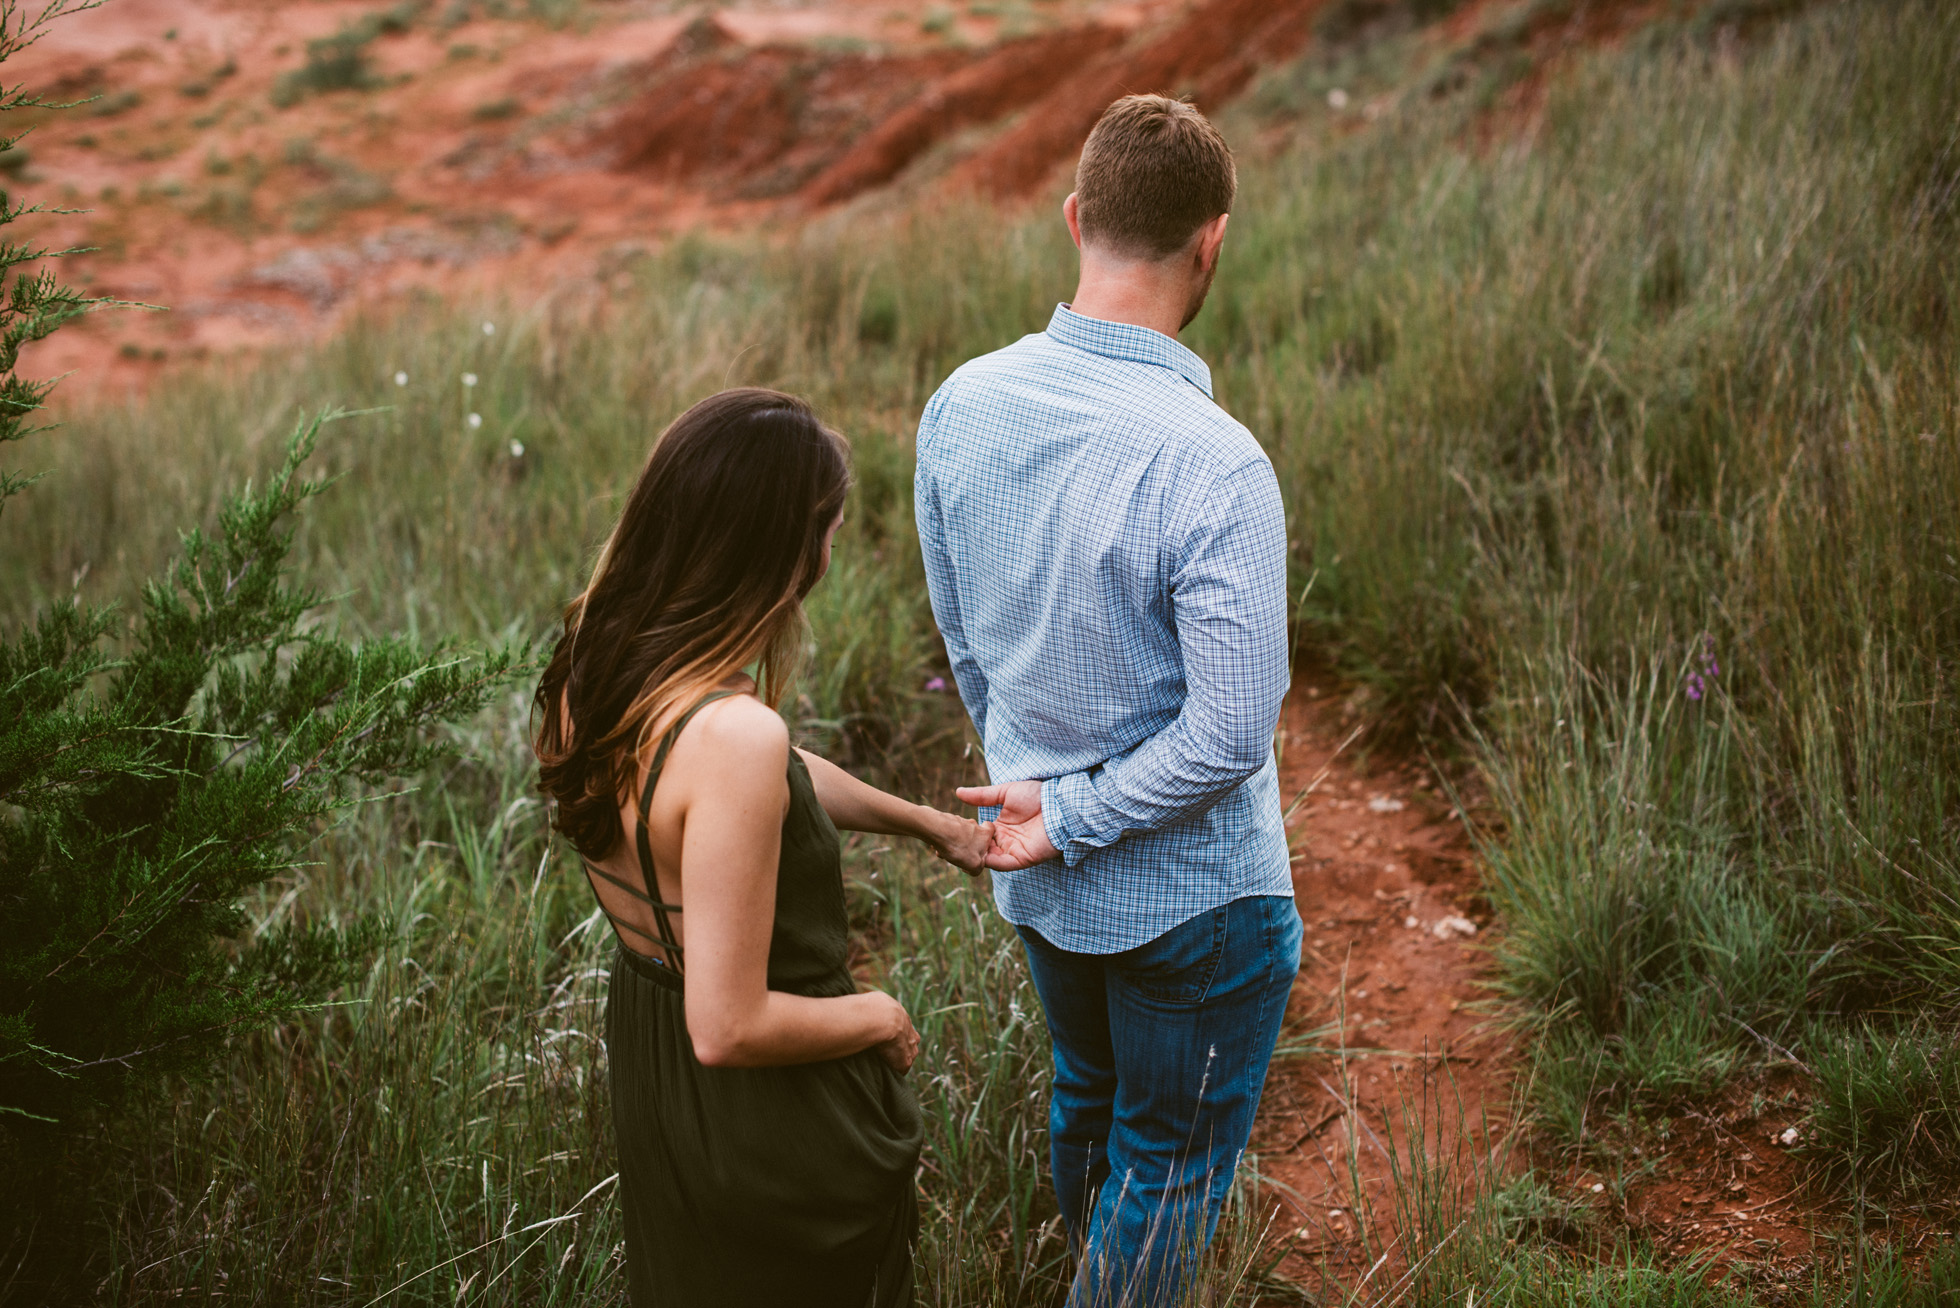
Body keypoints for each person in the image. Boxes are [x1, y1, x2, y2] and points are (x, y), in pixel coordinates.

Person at [915, 95, 1302, 1305]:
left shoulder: (959, 408)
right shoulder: (1215, 460)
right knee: (1169, 1165)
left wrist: (1047, 795)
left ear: (1075, 218)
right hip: (1196, 900)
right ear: (1212, 243)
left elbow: (966, 643)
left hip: (1037, 874)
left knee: (1088, 1092)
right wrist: (1080, 812)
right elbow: (1231, 738)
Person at [533, 388, 993, 1308]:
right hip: (768, 1114)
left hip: (652, 1056)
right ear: (783, 551)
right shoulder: (732, 735)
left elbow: (752, 781)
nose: (830, 552)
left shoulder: (601, 658)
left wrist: (933, 826)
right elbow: (730, 1025)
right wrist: (882, 1016)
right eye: (826, 529)